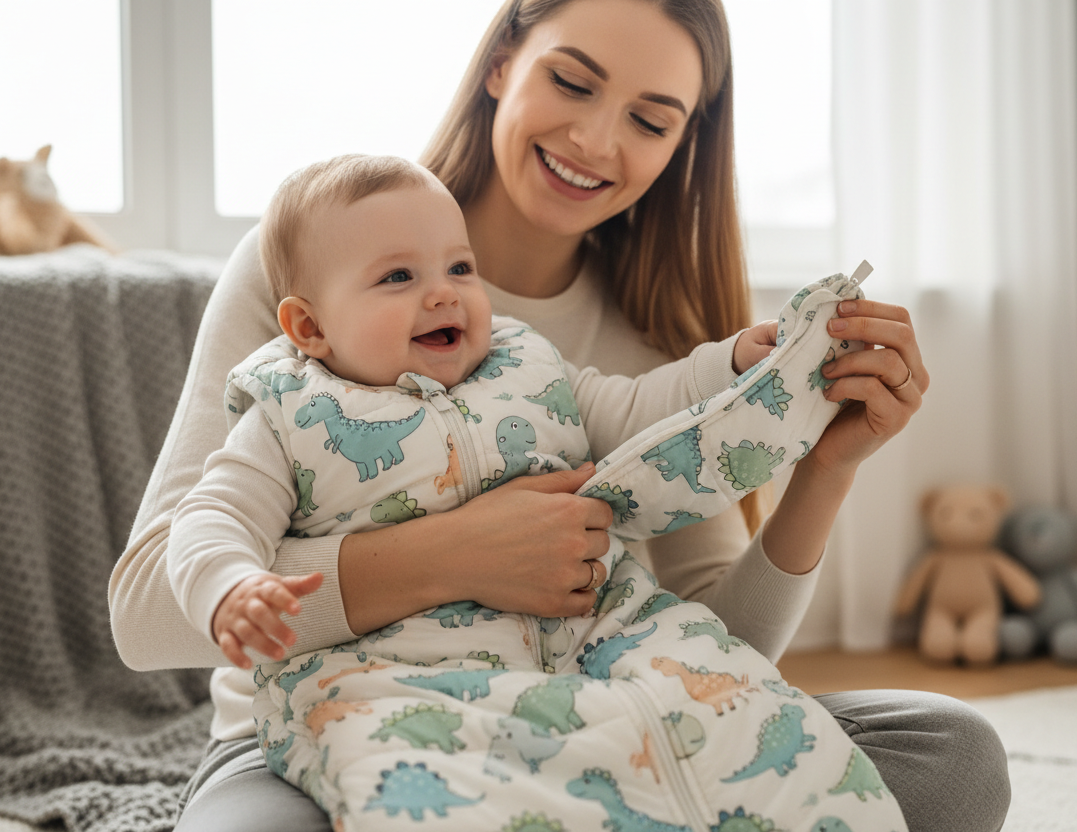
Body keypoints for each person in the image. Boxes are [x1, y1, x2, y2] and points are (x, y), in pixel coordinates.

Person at [109, 1, 1011, 831]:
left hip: (597, 714)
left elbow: (716, 647)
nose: (594, 138)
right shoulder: (316, 265)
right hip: (334, 726)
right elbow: (148, 613)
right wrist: (460, 555)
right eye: (572, 82)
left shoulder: (611, 351)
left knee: (953, 757)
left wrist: (825, 467)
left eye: (650, 120)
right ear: (503, 61)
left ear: (683, 143)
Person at [167, 152, 906, 830]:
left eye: (459, 269)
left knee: (807, 731)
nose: (442, 296)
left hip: (593, 662)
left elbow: (647, 409)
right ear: (309, 326)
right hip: (400, 693)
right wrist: (232, 586)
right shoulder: (287, 414)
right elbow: (212, 515)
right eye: (399, 278)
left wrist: (734, 366)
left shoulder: (530, 368)